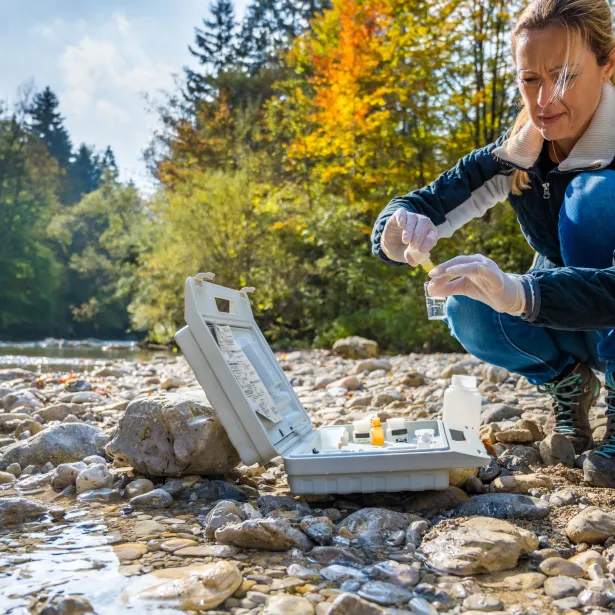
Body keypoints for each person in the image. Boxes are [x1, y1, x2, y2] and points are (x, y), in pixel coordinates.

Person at [371, 0, 615, 487]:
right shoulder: (514, 154)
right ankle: (569, 383)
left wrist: (522, 293)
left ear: (609, 64)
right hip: (563, 316)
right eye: (530, 80)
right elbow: (416, 203)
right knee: (465, 298)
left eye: (563, 76)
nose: (544, 99)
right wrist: (399, 231)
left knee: (593, 199)